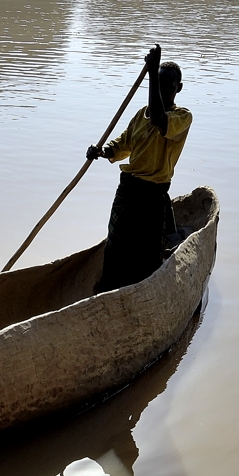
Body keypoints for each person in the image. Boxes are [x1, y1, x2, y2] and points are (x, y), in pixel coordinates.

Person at [88, 45, 192, 293]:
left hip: (153, 195)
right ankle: (107, 290)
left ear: (178, 88)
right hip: (128, 190)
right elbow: (122, 144)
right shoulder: (140, 115)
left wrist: (153, 71)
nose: (164, 90)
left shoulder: (182, 117)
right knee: (115, 246)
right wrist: (101, 152)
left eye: (169, 86)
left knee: (148, 256)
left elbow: (159, 119)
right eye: (160, 85)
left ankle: (146, 293)